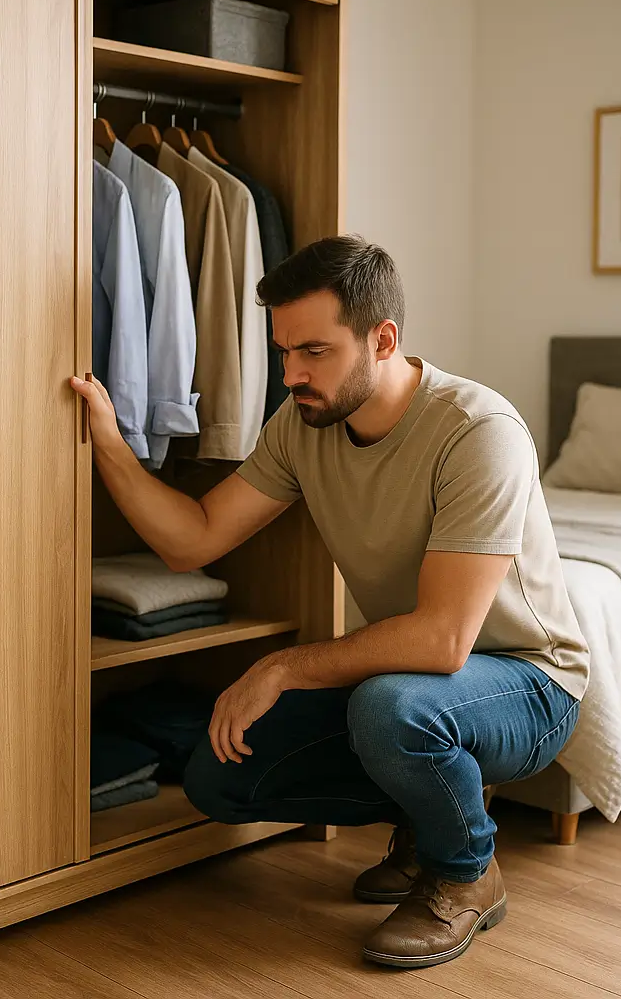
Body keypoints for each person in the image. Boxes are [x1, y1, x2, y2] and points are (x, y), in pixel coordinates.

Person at [69, 234, 587, 969]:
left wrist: (281, 667)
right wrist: (108, 442)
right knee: (218, 775)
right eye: (284, 353)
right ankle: (425, 819)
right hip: (415, 686)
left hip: (529, 684)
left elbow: (444, 642)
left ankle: (465, 872)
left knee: (392, 707)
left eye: (314, 352)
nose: (292, 375)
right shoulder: (302, 426)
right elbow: (195, 539)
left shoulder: (478, 431)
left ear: (383, 340)